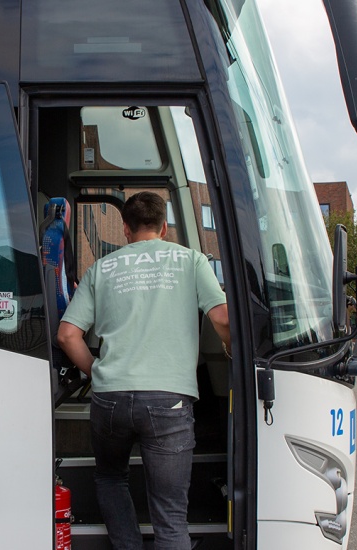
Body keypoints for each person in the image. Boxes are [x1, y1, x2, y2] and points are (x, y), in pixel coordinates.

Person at [56, 191, 229, 550]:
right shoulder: (191, 261)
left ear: (125, 229)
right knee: (169, 513)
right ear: (164, 227)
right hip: (169, 401)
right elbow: (223, 318)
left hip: (110, 399)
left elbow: (67, 335)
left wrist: (96, 372)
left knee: (110, 478)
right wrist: (231, 349)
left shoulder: (100, 269)